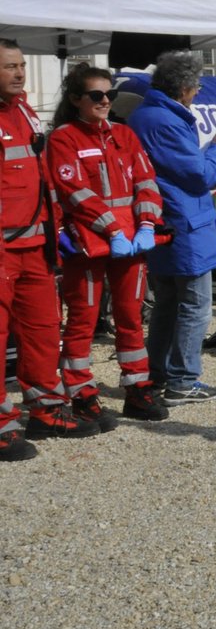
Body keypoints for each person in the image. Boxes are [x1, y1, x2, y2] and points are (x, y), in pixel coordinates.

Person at [46, 64, 169, 424]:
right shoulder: (63, 139)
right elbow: (74, 192)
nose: (105, 101)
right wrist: (113, 228)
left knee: (131, 318)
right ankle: (82, 394)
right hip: (89, 245)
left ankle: (137, 389)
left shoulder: (125, 134)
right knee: (82, 320)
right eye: (96, 95)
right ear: (75, 100)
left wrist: (146, 224)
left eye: (109, 95)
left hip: (130, 243)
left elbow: (146, 180)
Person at [126, 51, 216, 405]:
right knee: (195, 305)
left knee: (168, 303)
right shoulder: (166, 121)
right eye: (197, 86)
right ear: (185, 88)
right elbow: (200, 175)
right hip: (184, 221)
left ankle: (157, 373)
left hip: (162, 220)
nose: (198, 92)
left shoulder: (145, 116)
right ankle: (183, 381)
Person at [0, 39, 87, 457]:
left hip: (36, 244)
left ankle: (46, 410)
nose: (18, 73)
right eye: (8, 67)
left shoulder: (23, 111)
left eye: (20, 65)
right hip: (3, 247)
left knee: (42, 330)